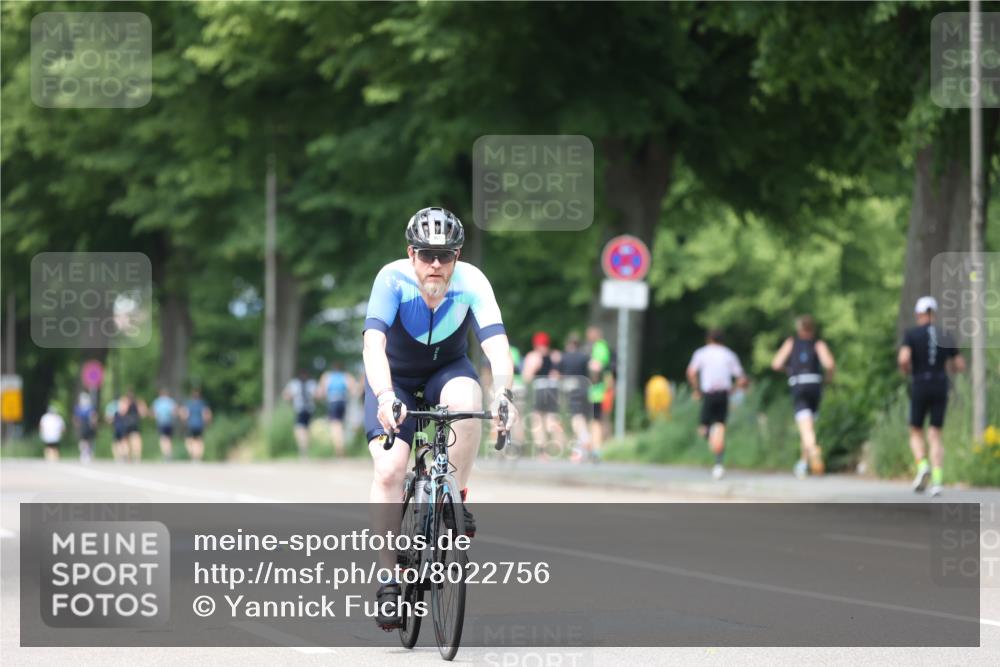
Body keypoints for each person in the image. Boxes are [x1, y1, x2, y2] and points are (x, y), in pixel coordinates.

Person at [362, 206, 516, 630]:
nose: (435, 264)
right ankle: (389, 580)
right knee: (391, 469)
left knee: (469, 402)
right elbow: (373, 344)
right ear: (411, 254)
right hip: (393, 378)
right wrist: (384, 395)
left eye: (444, 256)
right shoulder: (390, 279)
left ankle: (455, 497)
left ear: (457, 256)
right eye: (426, 254)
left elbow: (497, 345)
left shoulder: (472, 282)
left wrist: (504, 394)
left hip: (446, 372)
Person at [899, 296, 965, 497]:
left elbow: (903, 359)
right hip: (940, 384)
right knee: (935, 434)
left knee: (915, 430)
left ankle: (923, 465)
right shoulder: (945, 334)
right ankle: (937, 481)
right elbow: (959, 364)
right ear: (933, 313)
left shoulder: (911, 334)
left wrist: (906, 370)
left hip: (920, 383)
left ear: (919, 314)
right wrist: (950, 367)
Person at [771, 315, 836, 479]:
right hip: (815, 385)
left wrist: (788, 369)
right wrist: (828, 379)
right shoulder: (818, 344)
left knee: (805, 428)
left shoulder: (791, 343)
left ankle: (813, 450)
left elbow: (776, 363)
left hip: (799, 384)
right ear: (812, 329)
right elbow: (829, 364)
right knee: (808, 427)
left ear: (799, 329)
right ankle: (803, 464)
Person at [686, 328, 747, 480]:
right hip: (723, 395)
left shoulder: (702, 353)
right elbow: (742, 379)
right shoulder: (729, 354)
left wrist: (696, 389)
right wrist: (733, 390)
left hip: (708, 394)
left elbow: (691, 372)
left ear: (708, 339)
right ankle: (718, 464)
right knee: (720, 427)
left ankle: (712, 442)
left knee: (703, 429)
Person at [522, 331, 563, 456]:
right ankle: (558, 446)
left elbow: (526, 377)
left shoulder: (533, 356)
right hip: (553, 389)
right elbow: (560, 375)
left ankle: (542, 450)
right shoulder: (556, 356)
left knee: (537, 420)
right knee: (551, 419)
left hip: (540, 389)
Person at [557, 332, 593, 462]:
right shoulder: (585, 357)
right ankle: (581, 448)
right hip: (584, 389)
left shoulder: (564, 357)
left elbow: (559, 375)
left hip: (571, 390)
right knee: (582, 417)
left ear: (569, 344)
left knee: (576, 419)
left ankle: (585, 441)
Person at [319, 362, 356, 457]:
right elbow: (353, 390)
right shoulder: (346, 376)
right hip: (343, 402)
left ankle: (338, 448)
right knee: (341, 425)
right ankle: (341, 446)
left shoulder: (327, 376)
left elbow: (322, 391)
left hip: (333, 402)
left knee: (335, 426)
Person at [586, 325, 612, 457]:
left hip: (599, 391)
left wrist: (591, 378)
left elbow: (596, 367)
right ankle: (601, 447)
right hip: (602, 390)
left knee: (597, 420)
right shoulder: (603, 346)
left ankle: (597, 448)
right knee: (602, 419)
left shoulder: (599, 347)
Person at [284, 370, 319, 458]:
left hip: (300, 409)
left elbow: (286, 395)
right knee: (306, 429)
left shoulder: (294, 383)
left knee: (299, 429)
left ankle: (303, 450)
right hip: (309, 409)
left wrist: (293, 398)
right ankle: (305, 448)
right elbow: (317, 395)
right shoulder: (312, 383)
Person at [180, 388, 212, 461]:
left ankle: (193, 455)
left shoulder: (189, 404)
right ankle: (198, 456)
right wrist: (207, 423)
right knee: (199, 440)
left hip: (190, 425)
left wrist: (183, 422)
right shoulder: (203, 404)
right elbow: (206, 414)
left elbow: (184, 414)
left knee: (189, 440)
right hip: (200, 425)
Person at [121, 389, 148, 463]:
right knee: (136, 440)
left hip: (126, 422)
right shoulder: (138, 402)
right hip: (135, 421)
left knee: (126, 440)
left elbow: (122, 412)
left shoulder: (125, 401)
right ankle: (137, 456)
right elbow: (143, 414)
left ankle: (127, 456)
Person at [151, 388, 178, 461]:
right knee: (169, 439)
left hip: (161, 422)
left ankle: (165, 454)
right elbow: (174, 411)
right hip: (169, 422)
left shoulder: (157, 402)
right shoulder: (170, 401)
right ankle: (169, 453)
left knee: (163, 439)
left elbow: (154, 413)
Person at [72, 392, 98, 463]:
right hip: (83, 425)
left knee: (87, 440)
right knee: (84, 440)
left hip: (87, 425)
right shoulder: (79, 408)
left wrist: (93, 424)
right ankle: (85, 453)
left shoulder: (89, 407)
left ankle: (87, 453)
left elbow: (93, 417)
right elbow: (76, 418)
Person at [105, 396, 126, 462]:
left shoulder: (110, 406)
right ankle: (124, 455)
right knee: (123, 441)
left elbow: (109, 418)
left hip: (116, 426)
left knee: (115, 442)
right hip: (123, 425)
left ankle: (117, 457)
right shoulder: (123, 404)